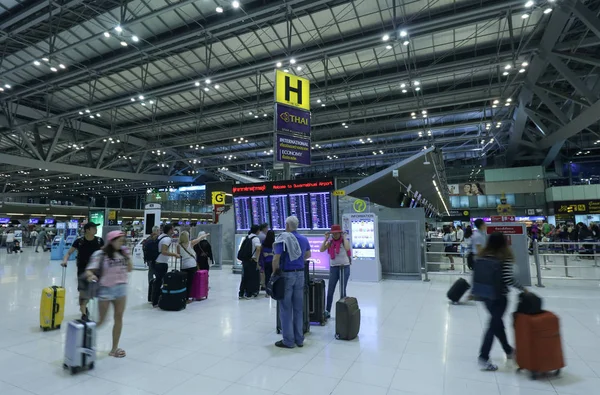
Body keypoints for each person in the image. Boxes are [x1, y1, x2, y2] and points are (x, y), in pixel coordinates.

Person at [477, 232, 527, 371]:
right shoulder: (504, 257)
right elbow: (508, 279)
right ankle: (483, 357)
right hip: (499, 296)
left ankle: (508, 350)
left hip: (485, 296)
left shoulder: (483, 255)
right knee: (493, 325)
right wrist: (523, 289)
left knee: (497, 323)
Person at [85, 231, 132, 359]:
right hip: (105, 289)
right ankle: (84, 342)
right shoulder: (100, 254)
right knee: (101, 321)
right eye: (120, 241)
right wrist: (91, 276)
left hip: (121, 289)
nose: (122, 243)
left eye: (123, 241)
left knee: (118, 318)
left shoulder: (123, 253)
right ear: (111, 241)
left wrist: (128, 256)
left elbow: (129, 269)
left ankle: (114, 348)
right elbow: (89, 270)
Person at [272, 216, 311, 349]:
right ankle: (299, 339)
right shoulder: (304, 239)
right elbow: (308, 255)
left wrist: (274, 273)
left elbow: (276, 258)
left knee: (286, 307)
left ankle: (288, 341)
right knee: (298, 308)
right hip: (300, 274)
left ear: (287, 225)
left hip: (287, 275)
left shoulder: (283, 238)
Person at [61, 222, 104, 318]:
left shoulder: (99, 241)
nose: (96, 229)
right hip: (82, 270)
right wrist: (65, 260)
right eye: (94, 228)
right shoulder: (79, 241)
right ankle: (84, 313)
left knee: (92, 293)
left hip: (95, 271)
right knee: (82, 291)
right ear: (87, 230)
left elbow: (104, 254)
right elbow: (68, 253)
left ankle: (84, 304)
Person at [319, 224, 351, 318]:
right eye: (333, 233)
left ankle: (343, 311)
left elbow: (347, 248)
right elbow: (321, 250)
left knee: (342, 290)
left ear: (340, 233)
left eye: (337, 233)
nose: (335, 235)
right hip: (334, 268)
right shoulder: (330, 242)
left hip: (344, 267)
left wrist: (344, 237)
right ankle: (327, 311)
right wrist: (326, 239)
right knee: (330, 290)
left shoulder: (344, 241)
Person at [152, 224, 180, 307]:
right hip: (161, 264)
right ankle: (156, 301)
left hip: (156, 262)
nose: (174, 231)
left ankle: (154, 299)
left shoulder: (161, 236)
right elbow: (164, 251)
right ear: (170, 230)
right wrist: (174, 254)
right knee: (159, 282)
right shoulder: (167, 239)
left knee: (157, 281)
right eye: (173, 229)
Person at [177, 230, 209, 302]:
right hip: (191, 265)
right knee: (190, 282)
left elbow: (178, 255)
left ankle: (183, 296)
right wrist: (205, 235)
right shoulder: (190, 243)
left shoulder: (178, 245)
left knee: (184, 282)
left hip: (183, 265)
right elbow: (199, 239)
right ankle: (188, 298)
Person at [238, 225, 262, 299]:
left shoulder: (247, 237)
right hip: (252, 261)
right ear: (257, 231)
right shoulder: (256, 239)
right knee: (252, 277)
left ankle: (241, 293)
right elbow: (258, 248)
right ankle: (249, 293)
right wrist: (257, 260)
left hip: (245, 260)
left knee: (245, 277)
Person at [260, 230, 276, 297]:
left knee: (267, 277)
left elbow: (262, 254)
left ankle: (267, 292)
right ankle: (274, 291)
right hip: (273, 262)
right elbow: (277, 254)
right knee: (274, 277)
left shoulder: (263, 243)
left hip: (266, 262)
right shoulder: (275, 244)